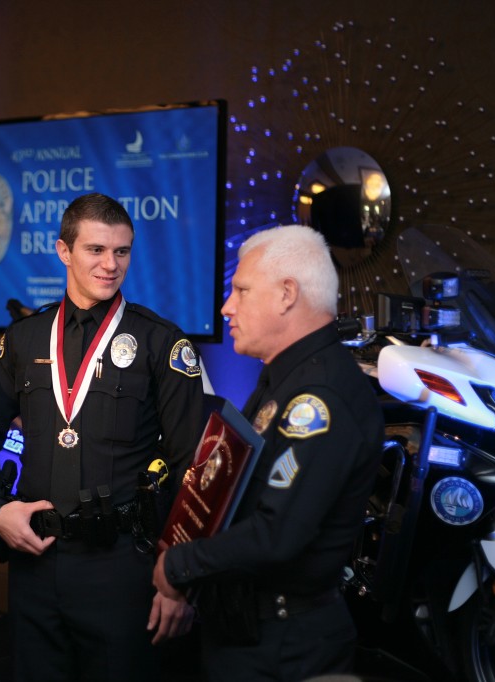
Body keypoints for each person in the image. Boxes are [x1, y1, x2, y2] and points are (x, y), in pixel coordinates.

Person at [0, 192, 207, 681]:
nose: (111, 264)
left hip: (122, 565)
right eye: (96, 249)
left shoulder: (163, 342)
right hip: (36, 560)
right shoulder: (25, 338)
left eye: (122, 251)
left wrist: (180, 578)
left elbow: (193, 470)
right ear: (63, 251)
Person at [152, 224, 385, 681]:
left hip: (282, 646)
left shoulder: (317, 398)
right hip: (248, 629)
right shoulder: (283, 377)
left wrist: (178, 566)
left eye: (240, 290)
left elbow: (278, 534)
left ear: (286, 294)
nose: (227, 306)